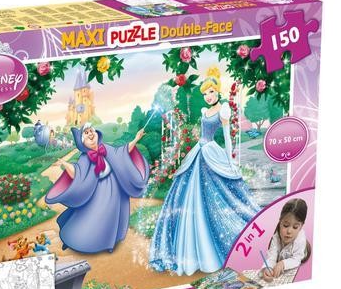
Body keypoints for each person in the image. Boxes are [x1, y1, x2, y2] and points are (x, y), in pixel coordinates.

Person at [149, 67, 260, 276]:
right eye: (205, 93)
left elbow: (226, 137)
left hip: (211, 152)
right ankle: (189, 251)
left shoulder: (223, 110)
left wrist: (230, 160)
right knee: (186, 191)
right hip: (198, 151)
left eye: (211, 92)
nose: (208, 96)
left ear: (218, 91)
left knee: (215, 193)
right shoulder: (203, 111)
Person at [45, 123, 149, 253]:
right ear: (83, 141)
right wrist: (66, 165)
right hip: (96, 192)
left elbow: (122, 153)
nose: (90, 134)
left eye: (91, 131)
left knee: (111, 216)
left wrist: (136, 139)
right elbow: (78, 174)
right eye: (86, 133)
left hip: (114, 188)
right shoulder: (85, 158)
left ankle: (108, 242)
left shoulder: (106, 148)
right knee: (90, 218)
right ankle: (72, 239)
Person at [262, 198, 311, 281]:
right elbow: (272, 256)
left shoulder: (300, 240)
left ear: (301, 226)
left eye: (295, 227)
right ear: (280, 222)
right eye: (285, 225)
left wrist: (283, 263)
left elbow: (296, 260)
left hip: (301, 255)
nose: (289, 231)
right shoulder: (276, 236)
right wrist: (268, 268)